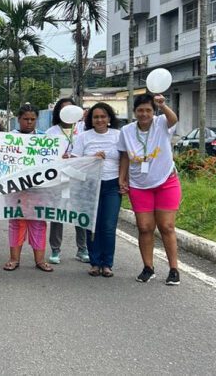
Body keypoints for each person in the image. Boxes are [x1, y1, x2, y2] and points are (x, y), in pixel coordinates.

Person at [118, 94, 181, 285]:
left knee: (166, 226)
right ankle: (148, 267)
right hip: (139, 185)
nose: (144, 114)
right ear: (134, 112)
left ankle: (173, 269)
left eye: (148, 110)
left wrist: (163, 105)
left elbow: (173, 119)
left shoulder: (161, 123)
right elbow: (125, 156)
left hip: (165, 182)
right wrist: (122, 178)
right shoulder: (126, 131)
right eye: (140, 110)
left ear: (153, 112)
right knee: (145, 228)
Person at [72, 103, 121, 277]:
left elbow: (125, 159)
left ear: (109, 118)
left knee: (108, 225)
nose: (99, 120)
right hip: (90, 185)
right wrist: (92, 158)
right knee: (92, 225)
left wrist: (123, 181)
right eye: (95, 117)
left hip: (112, 185)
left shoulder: (118, 135)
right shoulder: (83, 137)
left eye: (103, 116)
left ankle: (107, 263)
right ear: (90, 120)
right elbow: (74, 162)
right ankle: (94, 262)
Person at [4, 104, 53, 272]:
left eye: (33, 119)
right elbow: (1, 161)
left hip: (38, 189)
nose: (29, 122)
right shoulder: (8, 139)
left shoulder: (44, 139)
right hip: (16, 189)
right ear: (18, 119)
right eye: (26, 119)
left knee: (38, 222)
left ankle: (40, 260)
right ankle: (14, 259)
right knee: (16, 222)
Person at [45, 98, 89, 264]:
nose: (67, 112)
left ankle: (82, 248)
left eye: (70, 108)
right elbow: (46, 157)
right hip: (60, 178)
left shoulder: (84, 129)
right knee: (58, 213)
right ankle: (55, 250)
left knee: (80, 213)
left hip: (80, 177)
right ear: (58, 112)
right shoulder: (51, 132)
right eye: (63, 109)